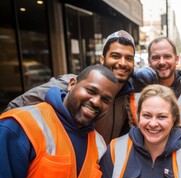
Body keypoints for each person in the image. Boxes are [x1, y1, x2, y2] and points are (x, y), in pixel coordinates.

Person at [0, 65, 119, 178]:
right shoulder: (20, 127)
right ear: (72, 84)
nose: (96, 101)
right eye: (91, 90)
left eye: (106, 99)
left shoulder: (99, 145)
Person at [4, 30, 136, 144]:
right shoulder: (74, 84)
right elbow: (17, 107)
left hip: (102, 167)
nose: (122, 63)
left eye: (129, 58)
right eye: (115, 56)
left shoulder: (128, 95)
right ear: (102, 59)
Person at [130, 36, 181, 131]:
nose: (162, 62)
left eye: (167, 56)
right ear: (149, 62)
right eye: (156, 58)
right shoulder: (133, 94)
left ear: (177, 59)